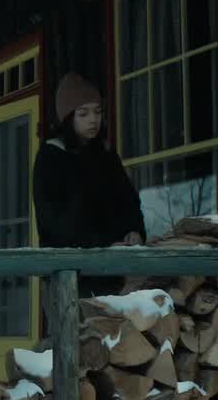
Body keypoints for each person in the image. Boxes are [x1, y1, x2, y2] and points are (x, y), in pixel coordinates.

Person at [33, 72, 147, 299]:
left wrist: (134, 231)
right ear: (68, 118)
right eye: (83, 114)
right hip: (71, 273)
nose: (93, 120)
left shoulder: (106, 154)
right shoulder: (51, 157)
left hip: (116, 270)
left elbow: (128, 200)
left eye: (98, 112)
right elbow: (54, 221)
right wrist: (101, 245)